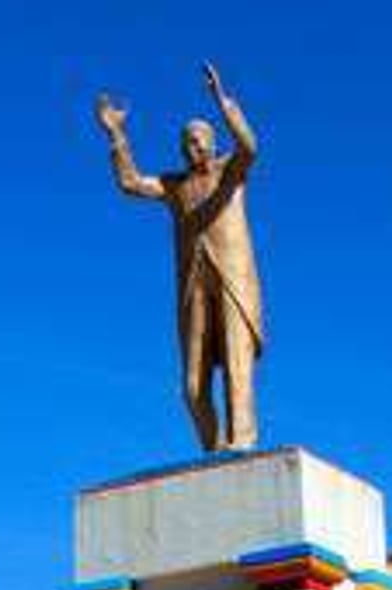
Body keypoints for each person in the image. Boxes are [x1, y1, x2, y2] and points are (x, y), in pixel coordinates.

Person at [97, 63, 264, 451]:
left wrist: (223, 102)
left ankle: (242, 448)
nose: (195, 146)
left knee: (238, 376)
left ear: (213, 142)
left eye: (201, 139)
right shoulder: (176, 186)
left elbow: (250, 147)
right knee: (192, 387)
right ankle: (214, 452)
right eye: (188, 141)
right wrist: (117, 134)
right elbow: (131, 183)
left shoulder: (230, 171)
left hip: (234, 280)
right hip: (193, 287)